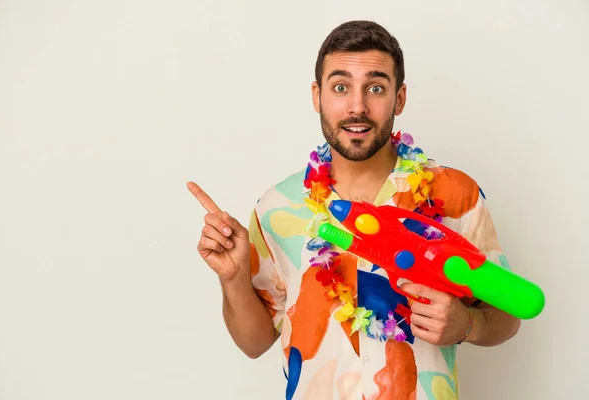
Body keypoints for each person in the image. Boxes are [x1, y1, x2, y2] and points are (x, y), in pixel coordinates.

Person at [187, 20, 520, 400]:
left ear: (400, 98)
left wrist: (468, 326)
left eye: (375, 88)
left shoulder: (456, 194)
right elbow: (254, 343)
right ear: (317, 96)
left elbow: (508, 317)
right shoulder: (276, 207)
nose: (358, 106)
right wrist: (232, 280)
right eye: (341, 87)